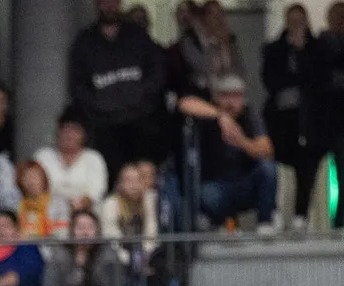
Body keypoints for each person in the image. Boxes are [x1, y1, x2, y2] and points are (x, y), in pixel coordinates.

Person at [68, 0, 167, 176]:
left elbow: (157, 72)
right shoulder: (84, 42)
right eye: (104, 2)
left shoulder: (138, 35)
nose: (109, 6)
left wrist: (142, 97)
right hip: (104, 129)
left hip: (141, 124)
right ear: (96, 5)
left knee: (145, 179)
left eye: (113, 1)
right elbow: (77, 87)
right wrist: (98, 107)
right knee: (112, 180)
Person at [180, 74, 279, 231]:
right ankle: (228, 225)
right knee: (207, 194)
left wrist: (241, 141)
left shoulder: (250, 115)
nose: (231, 102)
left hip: (245, 183)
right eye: (225, 96)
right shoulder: (209, 116)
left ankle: (265, 222)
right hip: (219, 185)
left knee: (268, 169)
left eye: (236, 96)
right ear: (217, 97)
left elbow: (267, 150)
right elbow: (185, 103)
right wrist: (221, 116)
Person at [262, 5, 324, 232]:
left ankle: (301, 214)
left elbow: (319, 80)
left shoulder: (316, 48)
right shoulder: (274, 49)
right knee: (275, 164)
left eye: (300, 19)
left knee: (306, 166)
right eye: (292, 19)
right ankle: (274, 212)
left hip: (309, 120)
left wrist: (302, 53)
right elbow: (270, 79)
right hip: (281, 120)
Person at [316, 1, 344, 227]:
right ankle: (314, 219)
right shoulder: (319, 45)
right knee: (313, 173)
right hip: (322, 120)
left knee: (343, 173)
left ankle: (339, 219)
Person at [33, 112, 109, 212]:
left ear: (84, 135)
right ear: (58, 131)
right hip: (46, 213)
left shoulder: (93, 158)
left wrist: (79, 205)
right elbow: (33, 185)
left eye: (75, 130)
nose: (69, 135)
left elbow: (97, 190)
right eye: (65, 130)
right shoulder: (43, 156)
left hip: (85, 215)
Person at [168, 0, 242, 100]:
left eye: (220, 14)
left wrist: (225, 46)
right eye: (213, 14)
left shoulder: (231, 41)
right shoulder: (191, 41)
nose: (218, 19)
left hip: (230, 95)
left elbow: (239, 70)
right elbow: (203, 67)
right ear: (204, 18)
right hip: (201, 97)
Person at [16, 160, 70, 238]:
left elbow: (62, 235)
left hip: (53, 248)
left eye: (35, 176)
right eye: (26, 177)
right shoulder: (18, 206)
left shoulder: (59, 204)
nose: (31, 181)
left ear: (43, 178)